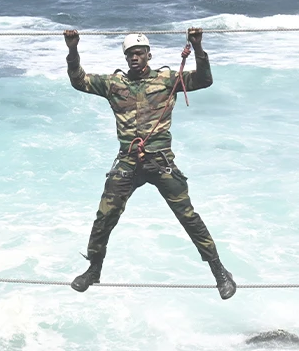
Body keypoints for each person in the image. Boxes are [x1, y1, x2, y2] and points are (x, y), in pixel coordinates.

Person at [62, 27, 236, 300]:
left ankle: (220, 272)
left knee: (188, 217)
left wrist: (198, 47)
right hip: (128, 161)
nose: (134, 57)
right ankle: (93, 269)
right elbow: (79, 81)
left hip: (160, 159)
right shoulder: (114, 84)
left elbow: (204, 80)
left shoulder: (167, 79)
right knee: (104, 217)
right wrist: (73, 49)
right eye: (130, 54)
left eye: (139, 53)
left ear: (148, 55)